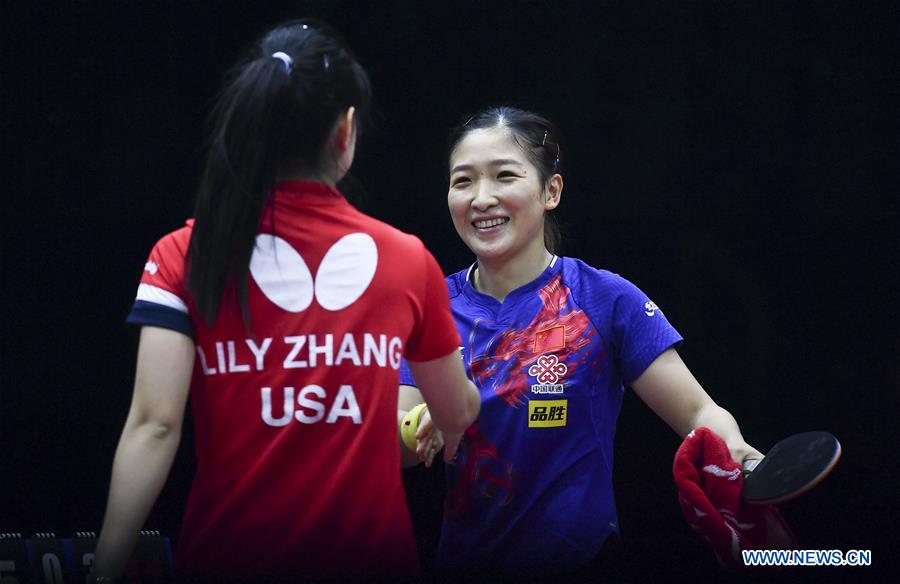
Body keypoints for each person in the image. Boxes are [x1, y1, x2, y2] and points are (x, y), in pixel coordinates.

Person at [89, 20, 480, 582]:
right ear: (346, 132)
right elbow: (455, 412)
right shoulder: (406, 259)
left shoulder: (183, 252)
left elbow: (153, 426)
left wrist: (105, 572)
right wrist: (455, 403)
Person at [397, 106, 764, 580]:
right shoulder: (432, 305)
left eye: (504, 175)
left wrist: (738, 451)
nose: (481, 198)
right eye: (462, 181)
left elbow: (697, 412)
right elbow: (399, 439)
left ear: (551, 191)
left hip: (584, 564)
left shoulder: (604, 298)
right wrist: (420, 423)